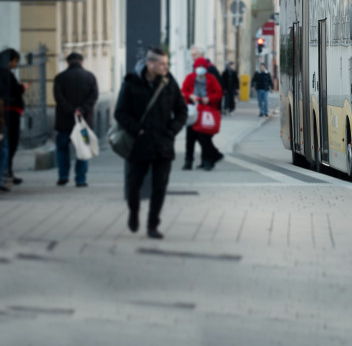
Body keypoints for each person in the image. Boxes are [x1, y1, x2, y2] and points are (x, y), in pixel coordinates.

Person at [114, 47, 187, 239]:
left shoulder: (169, 82)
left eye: (166, 63)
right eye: (162, 63)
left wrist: (172, 130)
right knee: (134, 184)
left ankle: (152, 225)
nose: (166, 67)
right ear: (150, 64)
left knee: (160, 186)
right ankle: (134, 211)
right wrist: (136, 129)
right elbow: (120, 112)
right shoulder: (131, 83)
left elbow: (182, 110)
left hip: (163, 143)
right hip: (139, 144)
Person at [53, 52, 99, 187]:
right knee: (83, 149)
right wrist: (81, 110)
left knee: (62, 148)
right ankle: (80, 179)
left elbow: (58, 97)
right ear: (81, 62)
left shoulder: (60, 78)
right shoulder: (90, 77)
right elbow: (94, 96)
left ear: (68, 62)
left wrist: (71, 109)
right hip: (83, 122)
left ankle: (63, 176)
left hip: (64, 121)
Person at [181, 57, 224, 170]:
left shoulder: (211, 78)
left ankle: (207, 160)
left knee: (204, 137)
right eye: (198, 67)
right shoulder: (190, 78)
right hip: (193, 111)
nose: (200, 69)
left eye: (202, 67)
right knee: (190, 138)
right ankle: (188, 161)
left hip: (206, 112)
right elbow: (183, 92)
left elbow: (219, 93)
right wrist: (190, 96)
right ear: (195, 68)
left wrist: (209, 99)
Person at [0, 49, 26, 185]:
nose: (16, 64)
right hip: (9, 114)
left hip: (6, 114)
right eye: (15, 61)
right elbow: (13, 92)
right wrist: (22, 88)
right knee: (8, 145)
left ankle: (6, 173)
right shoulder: (5, 74)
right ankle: (6, 174)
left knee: (6, 146)